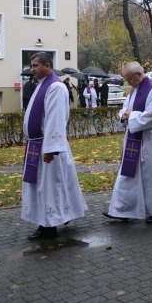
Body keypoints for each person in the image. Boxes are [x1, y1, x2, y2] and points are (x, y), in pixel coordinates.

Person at [22, 52, 88, 240]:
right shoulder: (41, 85)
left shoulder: (56, 87)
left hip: (48, 146)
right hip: (37, 145)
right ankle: (61, 216)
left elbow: (55, 118)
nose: (32, 69)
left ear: (47, 65)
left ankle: (48, 226)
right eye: (31, 66)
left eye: (35, 66)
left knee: (50, 186)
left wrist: (51, 148)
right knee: (51, 185)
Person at [103, 62, 152, 223]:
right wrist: (124, 115)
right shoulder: (134, 91)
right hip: (133, 138)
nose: (128, 84)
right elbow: (124, 109)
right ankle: (122, 210)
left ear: (139, 75)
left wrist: (131, 116)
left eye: (129, 79)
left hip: (149, 139)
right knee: (127, 175)